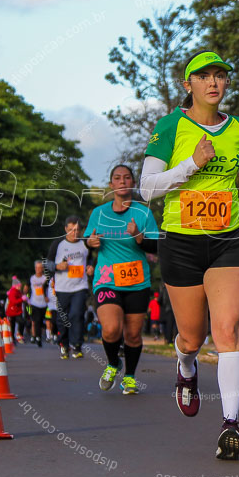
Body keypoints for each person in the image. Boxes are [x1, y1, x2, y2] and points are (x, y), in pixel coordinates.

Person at [139, 50, 239, 459]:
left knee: (227, 329)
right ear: (189, 86)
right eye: (204, 76)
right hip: (180, 241)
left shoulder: (236, 127)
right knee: (192, 336)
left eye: (221, 75)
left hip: (228, 238)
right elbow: (147, 188)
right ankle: (186, 367)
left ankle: (231, 425)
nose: (214, 82)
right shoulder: (170, 126)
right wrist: (190, 163)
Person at [86, 164, 159, 394]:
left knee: (133, 334)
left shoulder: (143, 213)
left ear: (132, 183)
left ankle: (129, 376)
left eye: (127, 177)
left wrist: (139, 237)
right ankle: (112, 363)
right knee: (110, 329)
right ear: (111, 185)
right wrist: (91, 243)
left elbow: (156, 246)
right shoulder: (99, 213)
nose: (122, 181)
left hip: (137, 281)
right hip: (107, 280)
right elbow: (89, 240)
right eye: (117, 178)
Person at [48, 215, 93, 359]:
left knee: (76, 315)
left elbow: (91, 258)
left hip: (80, 286)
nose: (74, 233)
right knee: (62, 319)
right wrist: (57, 266)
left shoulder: (85, 244)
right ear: (65, 229)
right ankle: (64, 345)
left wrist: (91, 266)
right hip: (62, 288)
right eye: (71, 230)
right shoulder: (58, 244)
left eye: (77, 230)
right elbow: (47, 264)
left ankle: (77, 345)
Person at [28, 261, 48, 347]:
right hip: (34, 303)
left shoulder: (45, 278)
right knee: (36, 321)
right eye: (37, 268)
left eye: (40, 268)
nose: (38, 269)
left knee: (42, 321)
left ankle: (41, 335)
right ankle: (38, 338)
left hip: (44, 304)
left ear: (42, 269)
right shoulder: (32, 278)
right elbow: (27, 287)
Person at [5, 276, 24, 344]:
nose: (20, 287)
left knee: (21, 322)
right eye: (19, 286)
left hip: (17, 311)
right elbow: (14, 301)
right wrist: (22, 299)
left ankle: (19, 335)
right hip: (12, 311)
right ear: (15, 286)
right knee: (12, 325)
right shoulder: (12, 291)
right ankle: (13, 339)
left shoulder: (18, 291)